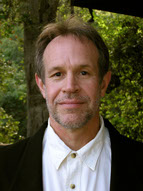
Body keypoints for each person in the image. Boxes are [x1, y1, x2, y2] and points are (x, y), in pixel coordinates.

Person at [0, 17, 143, 191]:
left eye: (83, 73)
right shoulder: (4, 166)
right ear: (42, 85)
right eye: (58, 74)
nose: (70, 87)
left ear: (103, 83)